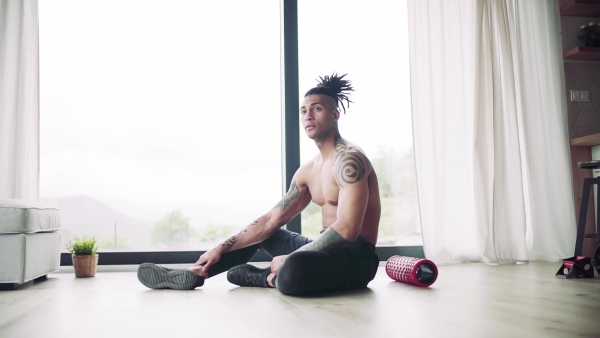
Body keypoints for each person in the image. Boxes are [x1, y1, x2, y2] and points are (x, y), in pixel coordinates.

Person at [137, 73, 381, 296]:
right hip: (323, 251)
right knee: (264, 233)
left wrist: (291, 256)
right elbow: (269, 221)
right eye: (304, 110)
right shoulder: (308, 170)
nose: (308, 116)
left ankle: (266, 277)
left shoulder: (350, 161)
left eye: (316, 109)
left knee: (294, 268)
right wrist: (219, 248)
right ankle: (196, 273)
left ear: (335, 114)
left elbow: (348, 230)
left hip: (355, 258)